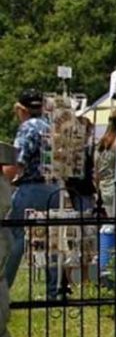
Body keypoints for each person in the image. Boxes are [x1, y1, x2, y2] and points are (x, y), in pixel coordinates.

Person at [3, 90, 63, 294]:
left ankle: (4, 285)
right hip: (54, 188)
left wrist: (4, 182)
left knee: (15, 236)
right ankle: (53, 291)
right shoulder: (50, 127)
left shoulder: (27, 128)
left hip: (31, 188)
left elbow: (16, 163)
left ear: (22, 109)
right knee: (51, 241)